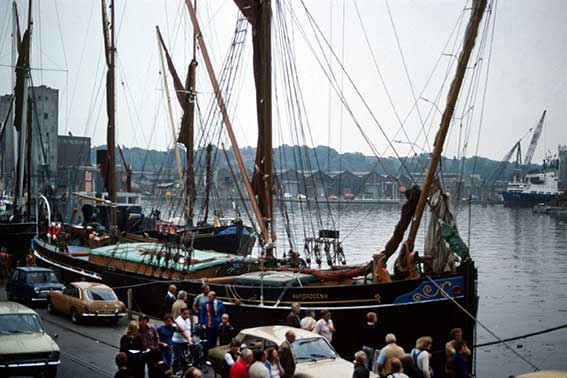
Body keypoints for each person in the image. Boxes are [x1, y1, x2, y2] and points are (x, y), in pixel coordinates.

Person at [172, 308, 193, 375]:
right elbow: (182, 332)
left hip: (185, 341)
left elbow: (188, 330)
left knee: (184, 357)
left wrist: (190, 338)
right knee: (177, 357)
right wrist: (189, 340)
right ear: (181, 314)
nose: (187, 315)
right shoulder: (178, 321)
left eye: (188, 314)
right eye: (185, 314)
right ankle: (174, 372)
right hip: (178, 342)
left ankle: (185, 371)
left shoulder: (187, 320)